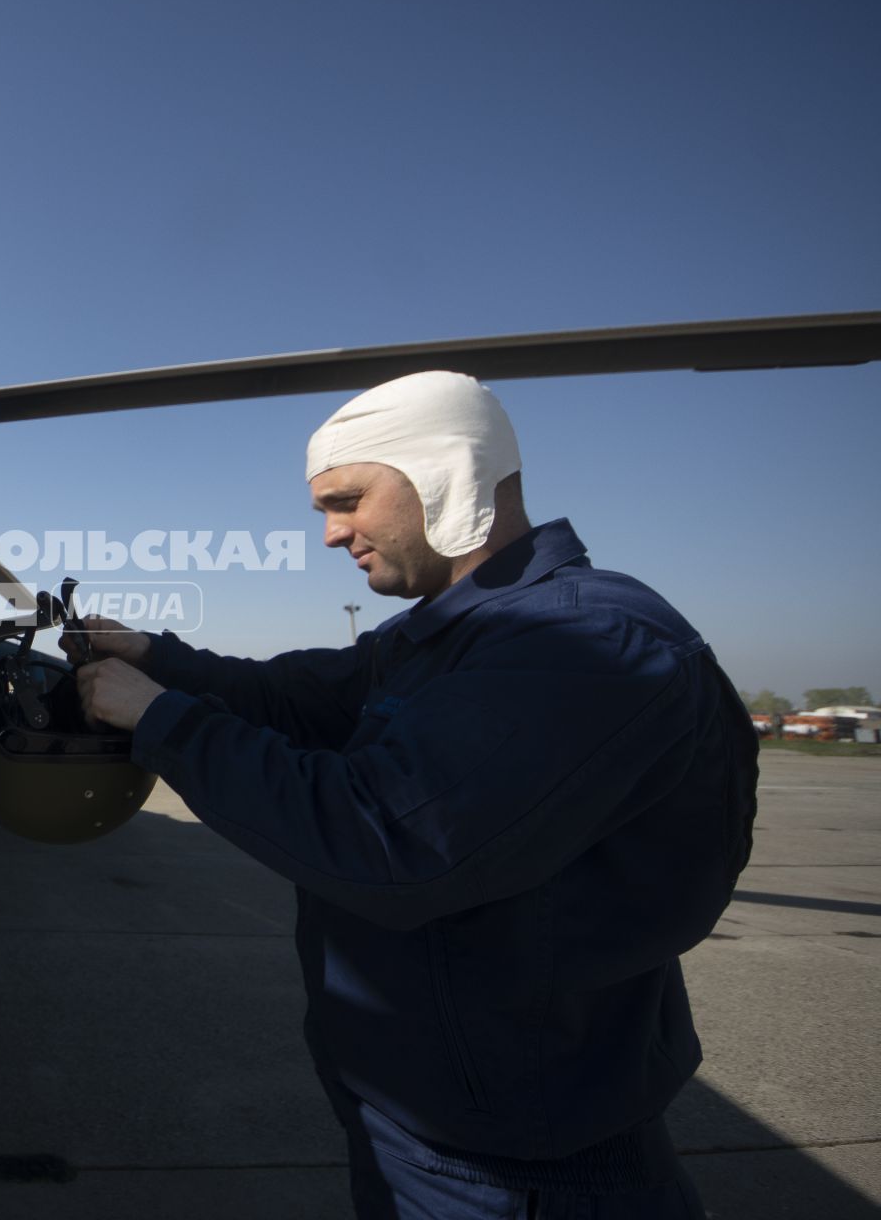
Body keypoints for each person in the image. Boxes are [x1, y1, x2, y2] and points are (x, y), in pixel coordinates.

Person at [65, 371, 757, 1220]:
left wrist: (162, 720)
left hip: (521, 1164)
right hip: (431, 1119)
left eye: (349, 499)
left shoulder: (582, 642)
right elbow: (294, 697)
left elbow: (386, 842)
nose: (330, 534)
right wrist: (151, 656)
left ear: (449, 474)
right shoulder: (450, 636)